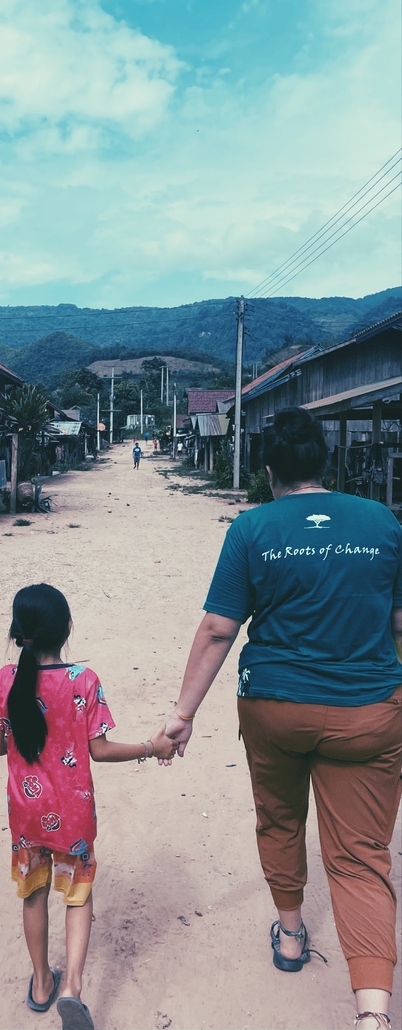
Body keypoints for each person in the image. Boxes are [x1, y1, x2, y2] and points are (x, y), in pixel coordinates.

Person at [159, 407, 402, 1030]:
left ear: (270, 471)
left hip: (275, 708)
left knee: (281, 818)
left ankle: (291, 938)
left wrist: (183, 714)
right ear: (327, 463)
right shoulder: (383, 522)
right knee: (362, 857)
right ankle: (372, 1015)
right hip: (370, 714)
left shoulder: (252, 527)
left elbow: (219, 627)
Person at [0, 583, 174, 1030]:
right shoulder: (83, 681)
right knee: (77, 894)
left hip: (26, 816)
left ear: (18, 632)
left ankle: (43, 984)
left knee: (33, 893)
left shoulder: (5, 680)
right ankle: (73, 988)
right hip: (74, 816)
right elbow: (100, 751)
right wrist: (150, 746)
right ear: (67, 628)